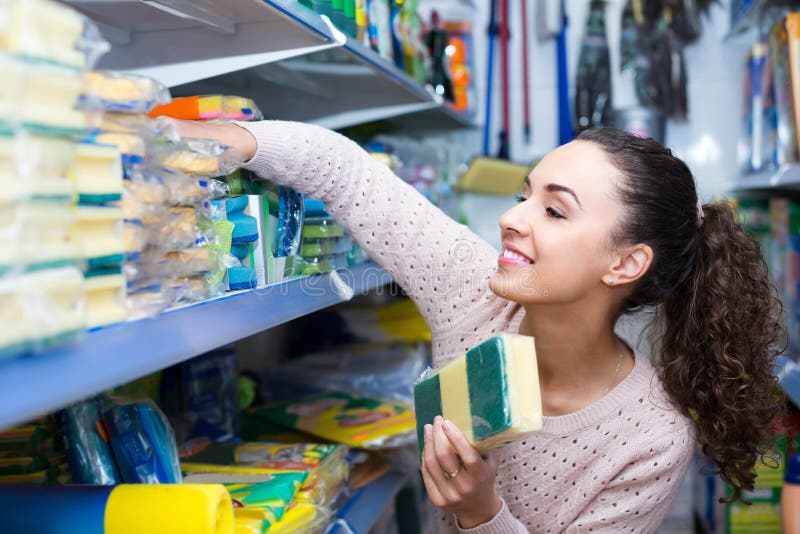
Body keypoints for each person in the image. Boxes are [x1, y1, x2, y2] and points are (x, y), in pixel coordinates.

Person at [173, 119, 783, 532]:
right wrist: (226, 138)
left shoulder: (650, 439)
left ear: (624, 263)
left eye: (553, 209)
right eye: (524, 195)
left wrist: (480, 510)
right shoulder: (475, 292)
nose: (512, 220)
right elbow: (349, 175)